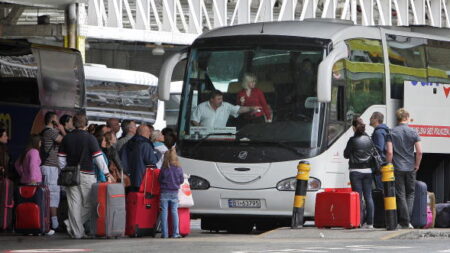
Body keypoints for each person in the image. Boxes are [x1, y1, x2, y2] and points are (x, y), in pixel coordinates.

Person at [58, 113, 111, 239]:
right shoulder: (90, 138)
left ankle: (76, 231)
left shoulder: (67, 138)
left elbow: (60, 159)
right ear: (86, 124)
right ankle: (72, 226)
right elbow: (98, 158)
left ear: (74, 124)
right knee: (91, 203)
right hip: (87, 174)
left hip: (70, 174)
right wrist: (107, 173)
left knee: (73, 204)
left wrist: (65, 170)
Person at [386, 108, 422, 229]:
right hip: (410, 167)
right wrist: (416, 165)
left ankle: (404, 222)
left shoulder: (391, 132)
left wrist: (388, 165)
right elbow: (419, 152)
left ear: (398, 118)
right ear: (407, 118)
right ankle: (407, 222)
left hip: (397, 167)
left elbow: (390, 152)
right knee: (410, 194)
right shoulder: (413, 132)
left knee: (400, 195)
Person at [344, 117, 375, 229]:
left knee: (358, 197)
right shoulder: (369, 139)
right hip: (368, 171)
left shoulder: (352, 140)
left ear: (353, 127)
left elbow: (346, 154)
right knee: (368, 197)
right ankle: (370, 223)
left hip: (355, 172)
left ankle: (359, 221)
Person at [40, 111, 66, 231]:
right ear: (52, 120)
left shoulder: (44, 132)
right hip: (50, 167)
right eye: (57, 119)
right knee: (53, 195)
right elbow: (65, 141)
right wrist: (62, 129)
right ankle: (53, 223)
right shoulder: (51, 132)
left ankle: (49, 222)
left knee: (49, 194)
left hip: (48, 167)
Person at [191, 90, 261, 129]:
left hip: (221, 138)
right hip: (204, 138)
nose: (221, 101)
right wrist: (201, 129)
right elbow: (194, 120)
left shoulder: (226, 106)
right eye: (218, 99)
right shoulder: (201, 107)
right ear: (211, 99)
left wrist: (251, 108)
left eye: (221, 98)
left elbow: (239, 110)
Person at [120, 125, 161, 191]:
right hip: (142, 179)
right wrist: (158, 154)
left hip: (129, 179)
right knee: (140, 199)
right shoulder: (145, 145)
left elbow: (121, 159)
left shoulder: (127, 144)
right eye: (148, 132)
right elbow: (151, 161)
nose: (149, 134)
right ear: (143, 133)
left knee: (130, 198)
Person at [158, 147, 184, 239]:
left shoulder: (164, 168)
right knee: (174, 212)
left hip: (164, 192)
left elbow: (159, 179)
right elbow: (181, 180)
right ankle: (175, 233)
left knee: (164, 212)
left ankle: (164, 234)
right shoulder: (179, 168)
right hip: (174, 192)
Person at [370, 112, 390, 190]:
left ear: (376, 119)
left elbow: (379, 148)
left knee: (380, 189)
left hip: (379, 165)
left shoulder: (378, 132)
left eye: (371, 117)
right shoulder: (384, 130)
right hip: (383, 163)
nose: (370, 119)